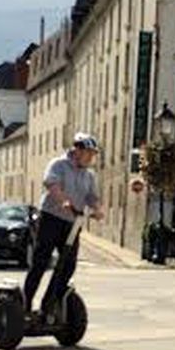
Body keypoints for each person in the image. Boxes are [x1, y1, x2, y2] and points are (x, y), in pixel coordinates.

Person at [24, 132, 104, 320]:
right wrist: (64, 202)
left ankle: (49, 304)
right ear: (77, 150)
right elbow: (52, 185)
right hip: (51, 218)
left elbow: (92, 197)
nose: (91, 157)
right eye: (89, 153)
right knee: (41, 262)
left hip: (72, 223)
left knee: (68, 266)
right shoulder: (58, 165)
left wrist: (98, 210)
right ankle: (25, 303)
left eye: (93, 154)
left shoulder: (89, 175)